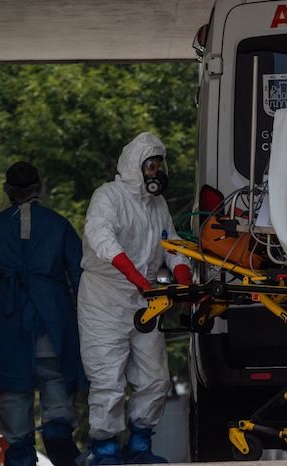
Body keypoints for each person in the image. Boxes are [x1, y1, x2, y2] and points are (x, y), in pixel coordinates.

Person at [77, 132, 193, 465]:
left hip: (145, 301)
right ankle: (105, 448)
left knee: (154, 377)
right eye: (150, 165)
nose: (155, 172)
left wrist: (183, 279)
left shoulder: (158, 205)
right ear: (134, 166)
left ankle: (140, 445)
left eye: (159, 165)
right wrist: (137, 278)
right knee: (107, 377)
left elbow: (172, 247)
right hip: (105, 300)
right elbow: (101, 238)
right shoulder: (108, 197)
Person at [0, 162, 86, 466]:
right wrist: (86, 321)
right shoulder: (59, 224)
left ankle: (21, 456)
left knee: (13, 390)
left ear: (7, 191)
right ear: (39, 188)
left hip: (8, 320)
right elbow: (80, 275)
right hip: (53, 317)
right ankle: (59, 440)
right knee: (55, 378)